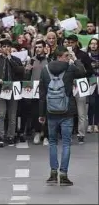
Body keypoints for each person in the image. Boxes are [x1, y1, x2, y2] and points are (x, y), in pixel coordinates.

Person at [39, 46, 85, 186]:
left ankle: (53, 174)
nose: (68, 58)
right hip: (67, 111)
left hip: (51, 111)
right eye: (66, 55)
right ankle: (63, 175)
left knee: (52, 142)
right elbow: (83, 72)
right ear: (60, 56)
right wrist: (75, 58)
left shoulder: (45, 70)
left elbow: (42, 94)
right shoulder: (70, 68)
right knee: (66, 143)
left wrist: (41, 113)